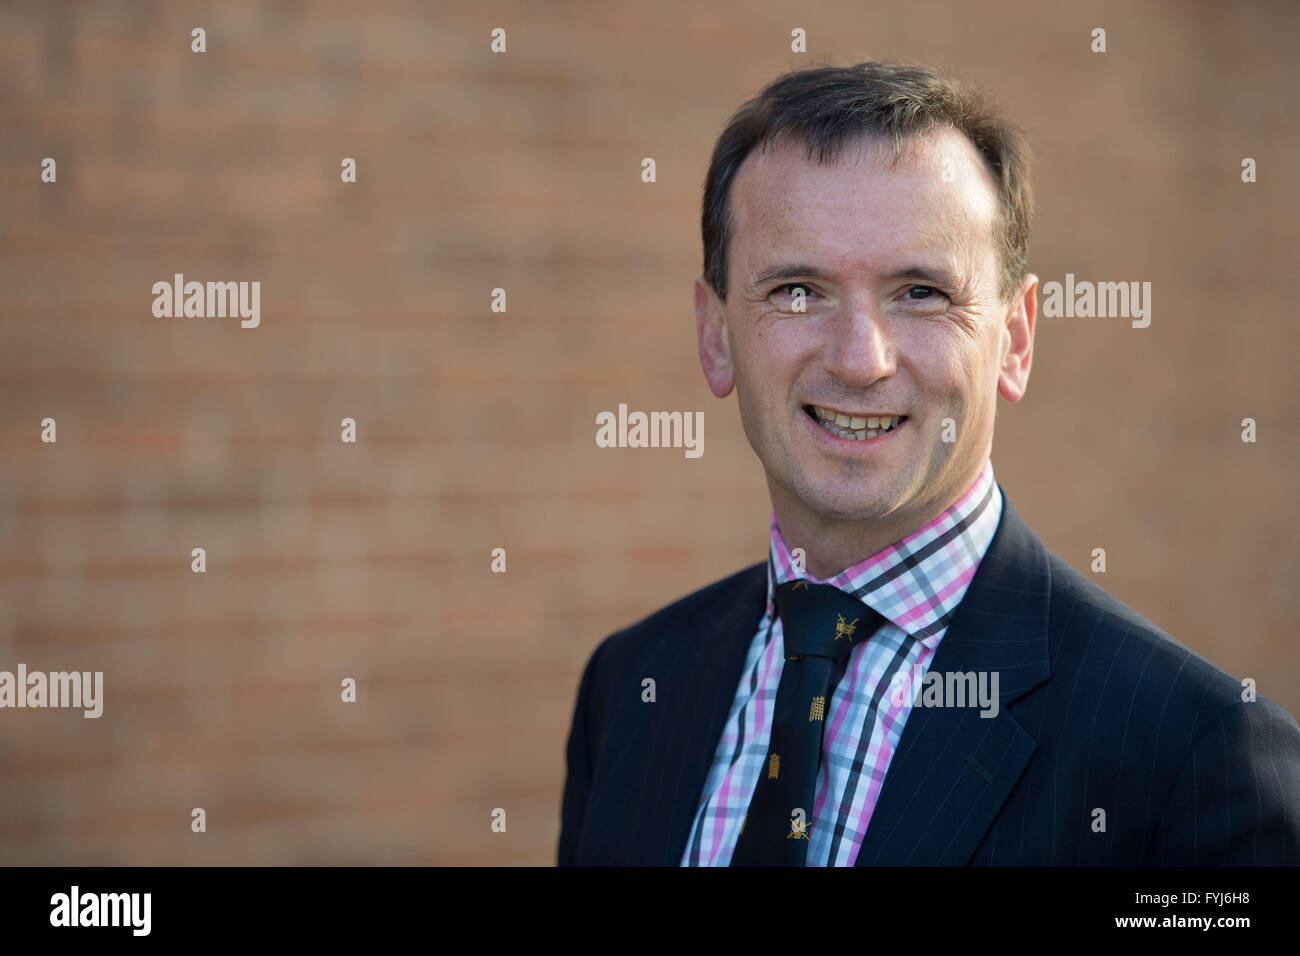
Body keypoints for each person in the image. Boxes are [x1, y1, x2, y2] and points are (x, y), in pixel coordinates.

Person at [558, 61, 1300, 866]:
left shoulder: (1197, 757)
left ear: (1014, 340)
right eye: (799, 291)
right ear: (715, 334)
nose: (860, 361)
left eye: (920, 292)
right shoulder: (632, 687)